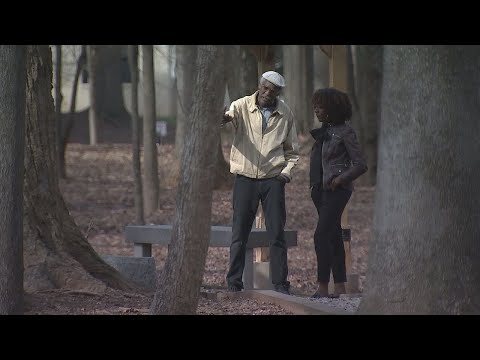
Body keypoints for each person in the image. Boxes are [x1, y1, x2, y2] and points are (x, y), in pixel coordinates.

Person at [221, 71, 299, 295]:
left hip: (273, 179)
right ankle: (234, 282)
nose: (267, 93)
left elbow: (292, 151)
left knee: (276, 233)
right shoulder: (243, 105)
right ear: (259, 85)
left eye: (273, 91)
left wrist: (285, 174)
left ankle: (281, 284)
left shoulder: (285, 113)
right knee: (239, 233)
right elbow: (227, 116)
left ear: (278, 93)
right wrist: (223, 118)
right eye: (265, 88)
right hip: (245, 177)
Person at [309, 87, 367, 298]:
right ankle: (340, 285)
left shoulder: (345, 131)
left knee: (320, 235)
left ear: (332, 108)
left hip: (337, 191)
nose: (316, 110)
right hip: (319, 191)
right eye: (315, 105)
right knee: (333, 235)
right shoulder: (325, 130)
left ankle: (323, 286)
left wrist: (339, 180)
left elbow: (360, 164)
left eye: (321, 106)